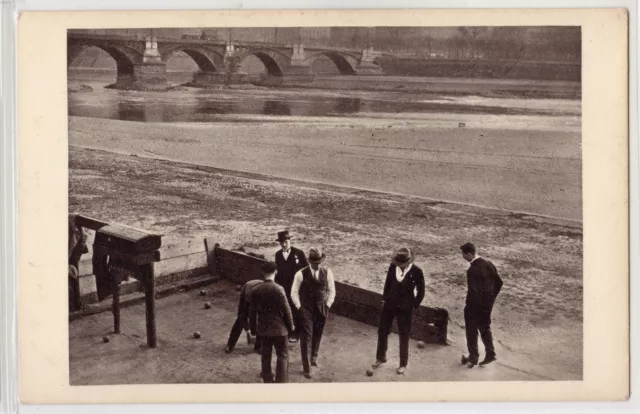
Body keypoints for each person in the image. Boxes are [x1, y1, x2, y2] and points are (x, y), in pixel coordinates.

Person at [372, 247, 426, 375]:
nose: (400, 266)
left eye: (402, 264)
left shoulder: (417, 271)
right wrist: (385, 299)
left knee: (404, 334)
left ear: (408, 262)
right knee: (382, 330)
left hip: (405, 308)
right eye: (398, 263)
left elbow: (421, 291)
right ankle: (381, 357)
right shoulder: (392, 267)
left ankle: (403, 363)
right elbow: (388, 283)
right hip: (390, 304)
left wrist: (414, 304)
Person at [290, 247, 336, 379]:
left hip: (321, 309)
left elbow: (332, 291)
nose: (316, 266)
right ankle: (307, 367)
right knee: (306, 337)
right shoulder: (300, 274)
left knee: (318, 333)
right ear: (310, 262)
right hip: (307, 310)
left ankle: (313, 357)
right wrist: (300, 307)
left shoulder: (327, 272)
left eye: (318, 263)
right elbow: (294, 292)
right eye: (314, 263)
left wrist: (327, 305)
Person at [250, 261, 295, 383]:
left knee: (265, 356)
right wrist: (291, 326)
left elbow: (252, 312)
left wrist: (253, 329)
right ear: (275, 272)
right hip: (280, 330)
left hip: (263, 330)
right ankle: (281, 382)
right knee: (283, 356)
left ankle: (268, 381)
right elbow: (287, 310)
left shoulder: (255, 290)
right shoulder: (279, 289)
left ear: (262, 273)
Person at [459, 242, 503, 368]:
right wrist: (490, 300)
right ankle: (490, 353)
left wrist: (470, 307)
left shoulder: (472, 270)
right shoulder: (489, 264)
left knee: (471, 331)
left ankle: (473, 358)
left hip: (474, 307)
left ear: (468, 254)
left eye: (463, 254)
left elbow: (473, 292)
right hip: (487, 306)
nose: (462, 256)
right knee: (484, 328)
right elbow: (499, 283)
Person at [274, 230, 308, 343]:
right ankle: (288, 330)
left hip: (297, 288)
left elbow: (306, 270)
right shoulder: (278, 255)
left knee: (297, 309)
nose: (284, 244)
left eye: (286, 241)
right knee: (286, 309)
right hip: (284, 287)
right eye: (282, 242)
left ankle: (297, 333)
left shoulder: (299, 253)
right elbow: (277, 272)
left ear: (290, 240)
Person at [225, 278, 263, 354]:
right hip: (248, 287)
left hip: (260, 292)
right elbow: (244, 316)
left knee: (263, 321)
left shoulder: (268, 296)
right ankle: (230, 344)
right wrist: (248, 330)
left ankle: (258, 346)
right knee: (241, 317)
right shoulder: (248, 297)